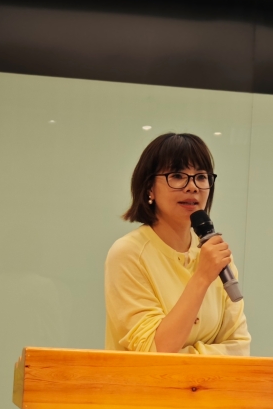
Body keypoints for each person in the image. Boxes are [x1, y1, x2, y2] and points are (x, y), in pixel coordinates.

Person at [105, 133, 250, 355]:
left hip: (207, 381)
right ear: (149, 188)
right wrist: (202, 277)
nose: (192, 187)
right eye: (177, 175)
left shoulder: (216, 255)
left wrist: (186, 356)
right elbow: (155, 351)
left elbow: (240, 349)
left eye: (201, 177)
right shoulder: (128, 253)